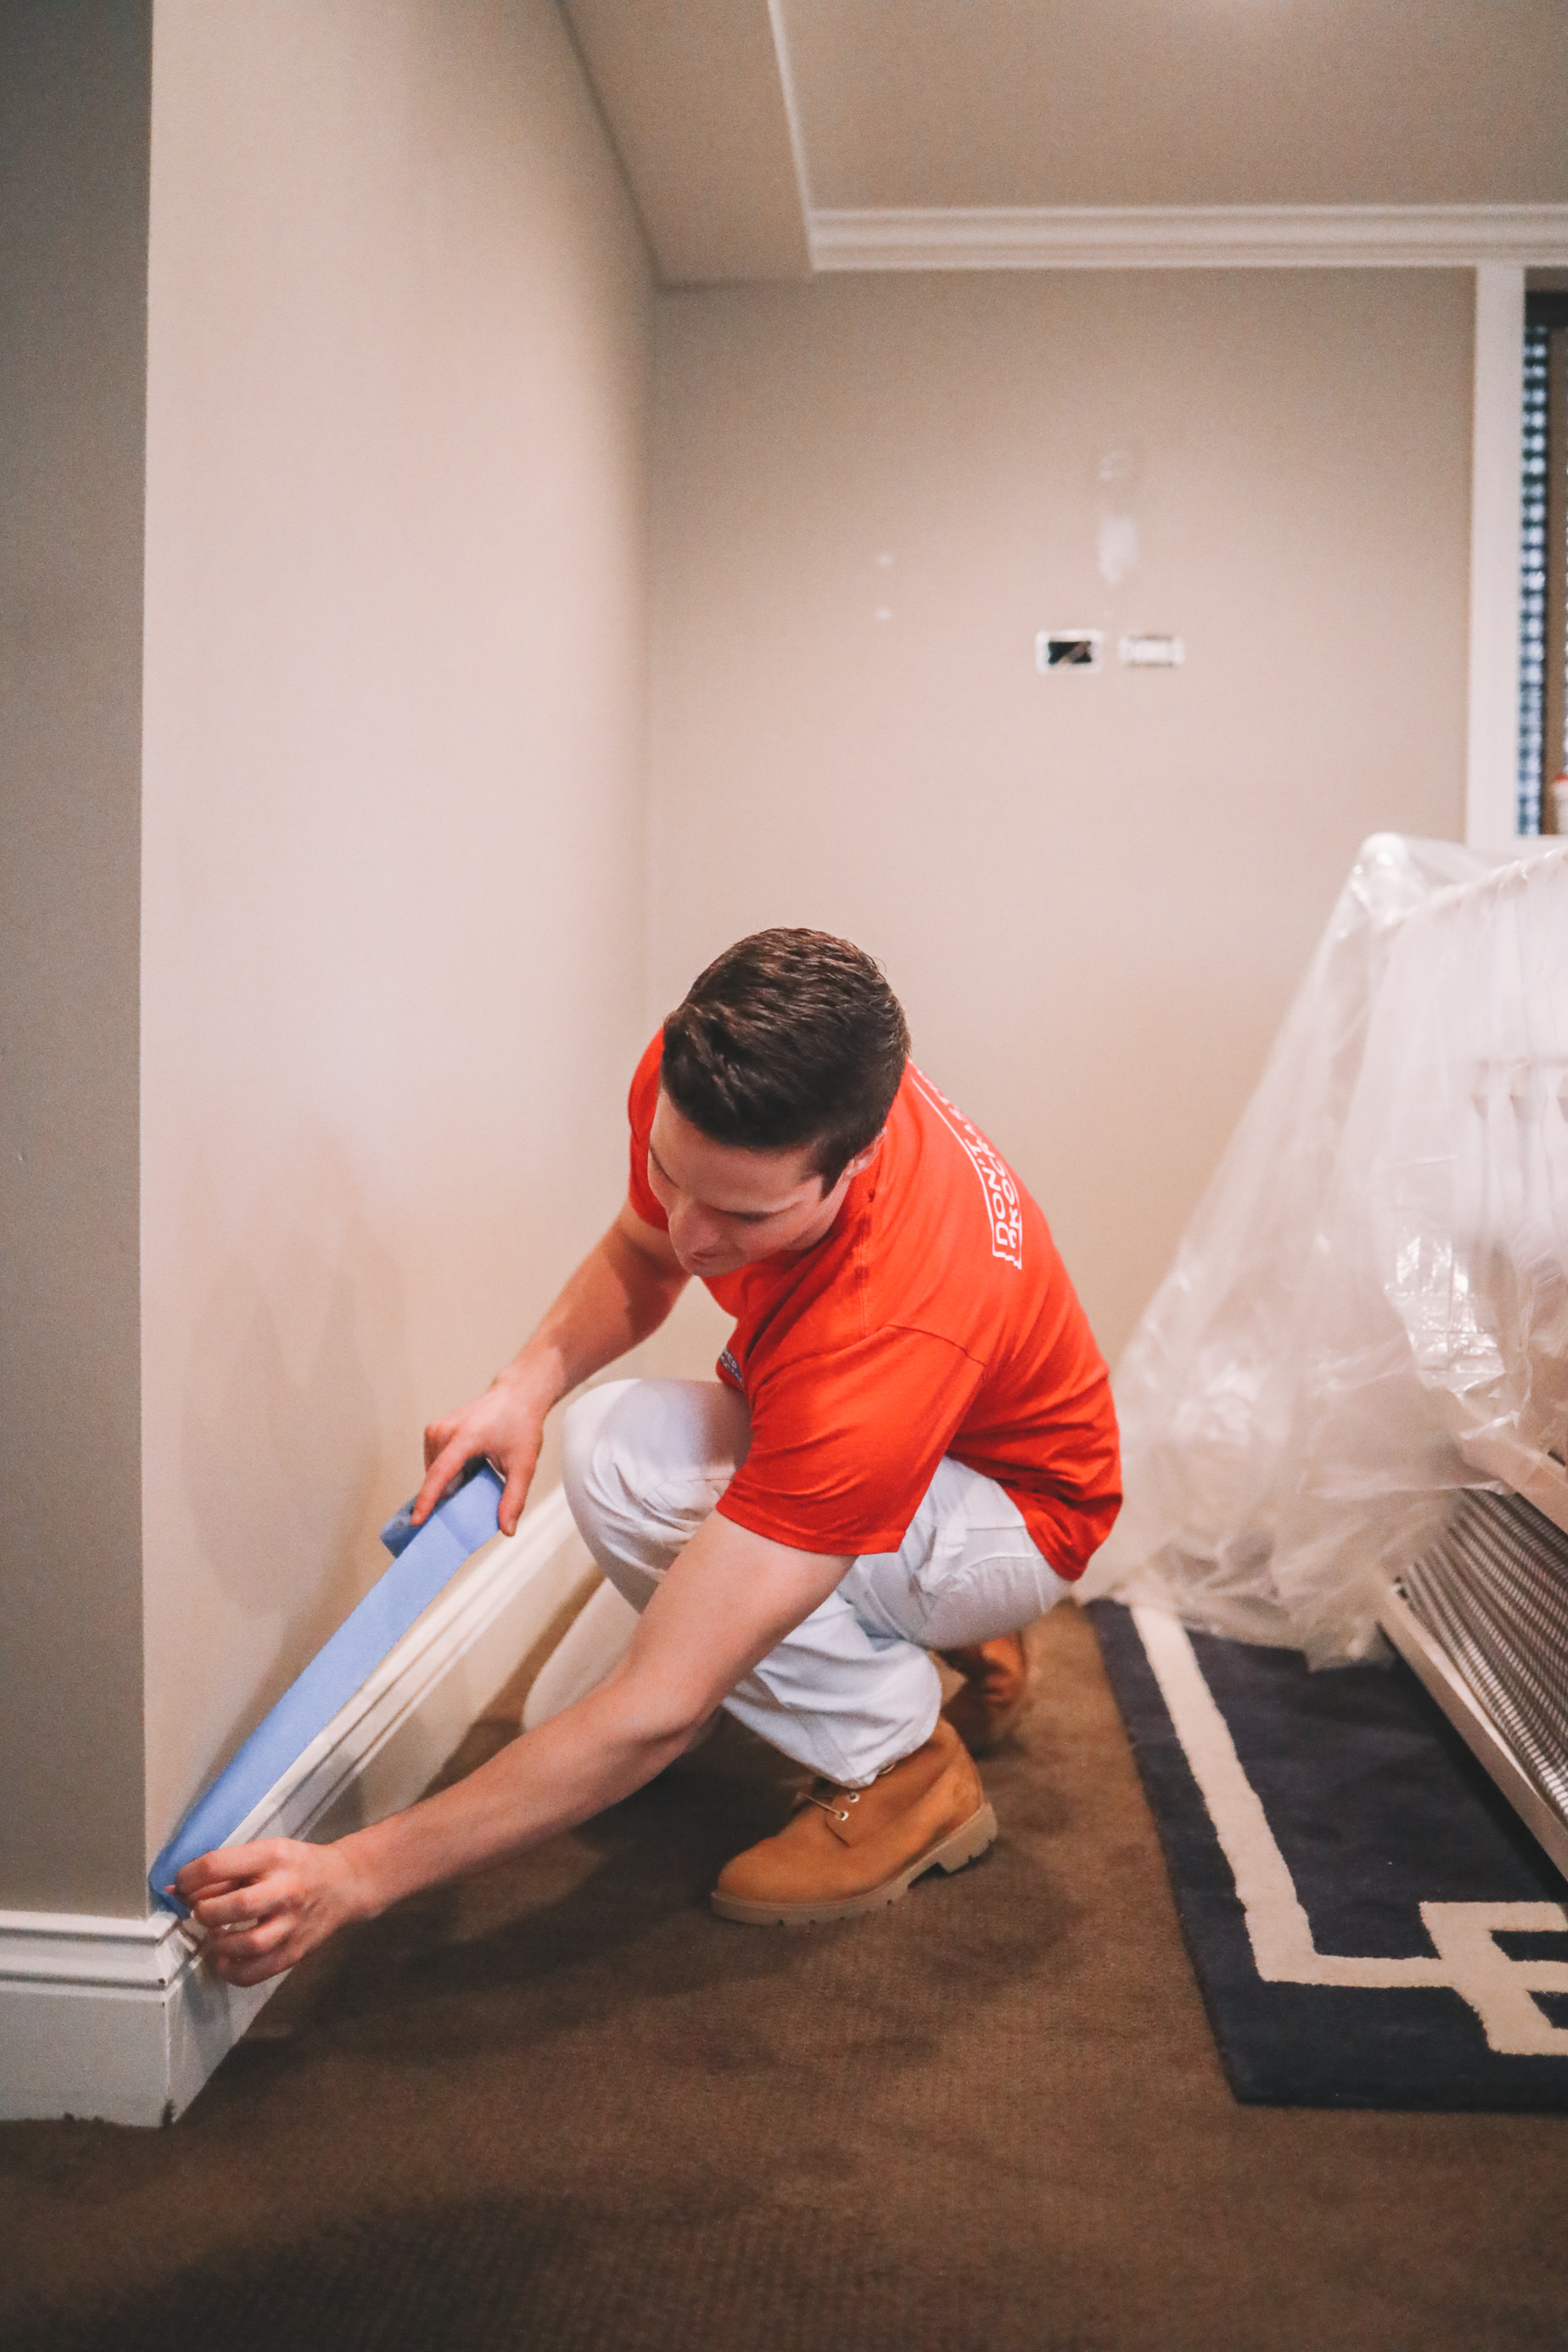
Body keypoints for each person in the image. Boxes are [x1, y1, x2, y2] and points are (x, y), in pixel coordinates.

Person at [176, 930, 1120, 1981]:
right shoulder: (705, 1080)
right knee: (557, 1710)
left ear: (856, 1161)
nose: (691, 1233)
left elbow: (658, 1714)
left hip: (1018, 1512)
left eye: (742, 1215)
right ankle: (899, 1617)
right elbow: (640, 1251)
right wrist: (521, 1386)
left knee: (622, 1479)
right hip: (918, 1440)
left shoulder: (885, 1337)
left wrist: (352, 1877)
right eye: (676, 1179)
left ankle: (904, 1763)